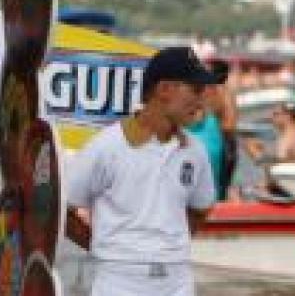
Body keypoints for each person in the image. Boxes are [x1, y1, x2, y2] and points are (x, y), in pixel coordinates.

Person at [64, 46, 221, 296]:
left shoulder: (195, 151)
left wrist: (166, 250)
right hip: (119, 281)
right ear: (164, 89)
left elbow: (200, 210)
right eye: (195, 89)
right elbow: (61, 211)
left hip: (177, 279)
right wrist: (109, 250)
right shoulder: (106, 146)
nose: (201, 100)